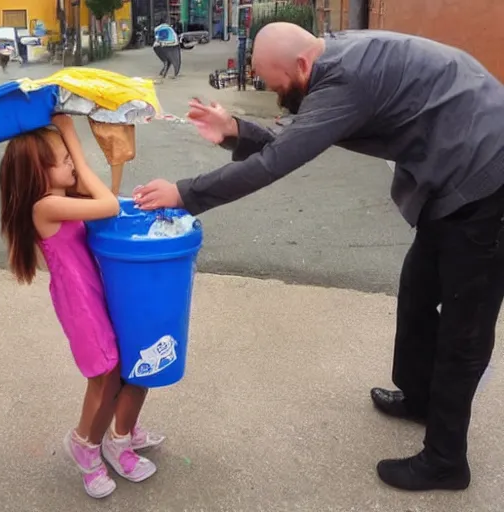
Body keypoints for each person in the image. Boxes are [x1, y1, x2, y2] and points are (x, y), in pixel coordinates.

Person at [133, 22, 504, 492]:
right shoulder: (332, 57)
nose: (274, 94)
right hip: (452, 171)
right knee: (417, 292)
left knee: (463, 330)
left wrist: (184, 193)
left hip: (487, 179)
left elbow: (279, 160)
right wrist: (235, 130)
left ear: (303, 66)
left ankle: (447, 461)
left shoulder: (344, 81)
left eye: (275, 84)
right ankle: (421, 400)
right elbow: (301, 134)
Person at [0, 114, 165, 499]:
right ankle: (85, 447)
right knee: (103, 376)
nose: (72, 163)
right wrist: (72, 136)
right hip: (81, 304)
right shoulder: (45, 206)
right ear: (40, 172)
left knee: (122, 368)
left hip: (97, 294)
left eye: (70, 156)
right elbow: (106, 206)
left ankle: (120, 431)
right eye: (64, 159)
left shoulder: (61, 199)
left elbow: (107, 199)